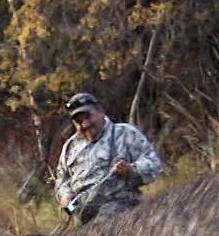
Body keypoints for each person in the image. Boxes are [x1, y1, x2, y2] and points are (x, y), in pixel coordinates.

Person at [54, 92, 163, 224]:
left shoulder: (125, 134)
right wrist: (65, 195)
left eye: (88, 117)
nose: (85, 124)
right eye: (78, 121)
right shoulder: (69, 147)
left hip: (124, 215)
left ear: (100, 111)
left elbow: (154, 164)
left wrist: (131, 170)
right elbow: (61, 179)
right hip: (84, 224)